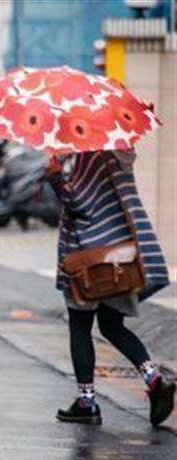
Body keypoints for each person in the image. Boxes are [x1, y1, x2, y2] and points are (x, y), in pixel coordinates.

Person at [48, 150, 174, 426]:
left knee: (80, 326)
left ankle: (86, 401)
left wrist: (55, 176)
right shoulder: (120, 155)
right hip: (119, 258)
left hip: (89, 260)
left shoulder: (91, 157)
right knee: (112, 326)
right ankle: (153, 379)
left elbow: (80, 204)